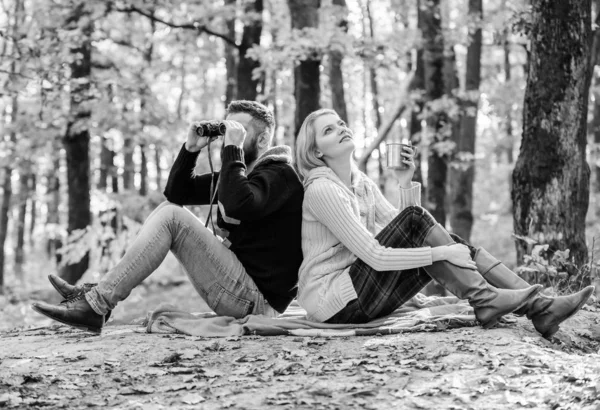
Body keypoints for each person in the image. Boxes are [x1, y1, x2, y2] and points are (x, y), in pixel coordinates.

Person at [294, 108, 593, 338]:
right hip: (335, 303)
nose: (341, 129)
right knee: (439, 241)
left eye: (341, 124)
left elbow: (408, 229)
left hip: (359, 290)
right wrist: (441, 254)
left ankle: (541, 308)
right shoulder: (323, 189)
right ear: (316, 151)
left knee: (453, 244)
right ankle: (488, 300)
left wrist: (404, 181)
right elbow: (375, 255)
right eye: (329, 130)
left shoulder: (359, 182)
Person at [32, 100, 304, 334]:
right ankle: (97, 297)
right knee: (167, 210)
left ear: (263, 139)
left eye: (239, 132)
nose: (227, 139)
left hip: (258, 302)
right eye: (226, 130)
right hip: (241, 289)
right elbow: (176, 193)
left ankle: (96, 305)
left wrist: (232, 152)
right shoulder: (237, 177)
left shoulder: (280, 175)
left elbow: (238, 205)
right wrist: (191, 149)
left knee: (173, 217)